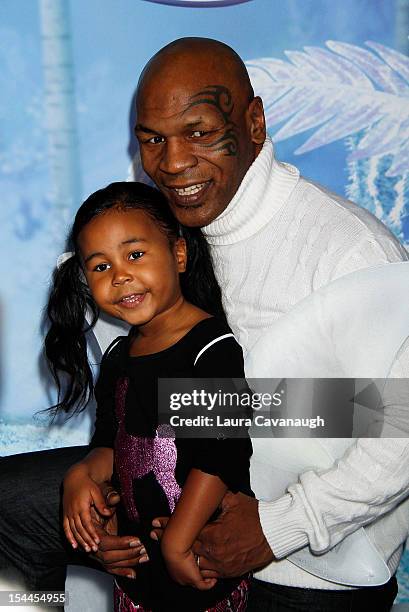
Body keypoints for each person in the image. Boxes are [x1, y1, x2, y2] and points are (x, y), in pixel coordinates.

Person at [0, 37, 408, 610]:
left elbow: (399, 422)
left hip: (306, 566)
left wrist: (278, 527)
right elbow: (162, 402)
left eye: (198, 132)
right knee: (11, 506)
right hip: (174, 499)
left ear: (255, 122)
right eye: (152, 140)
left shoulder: (350, 249)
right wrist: (100, 478)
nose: (172, 162)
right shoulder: (160, 232)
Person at [47, 181, 252, 611]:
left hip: (201, 575)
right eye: (100, 267)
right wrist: (82, 475)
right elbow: (110, 440)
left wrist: (178, 542)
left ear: (178, 254)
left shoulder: (211, 348)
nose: (120, 275)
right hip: (138, 583)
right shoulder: (120, 356)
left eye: (135, 255)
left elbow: (222, 456)